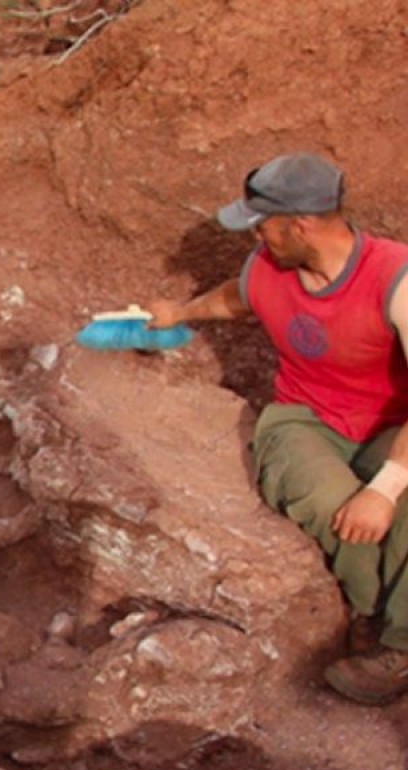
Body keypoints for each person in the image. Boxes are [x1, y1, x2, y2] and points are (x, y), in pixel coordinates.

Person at [147, 152, 408, 705]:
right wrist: (178, 313)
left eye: (262, 225)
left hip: (392, 426)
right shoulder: (267, 269)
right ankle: (373, 613)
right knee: (328, 499)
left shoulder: (396, 279)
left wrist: (385, 490)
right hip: (304, 420)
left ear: (302, 224)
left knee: (396, 504)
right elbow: (231, 301)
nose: (256, 236)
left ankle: (399, 648)